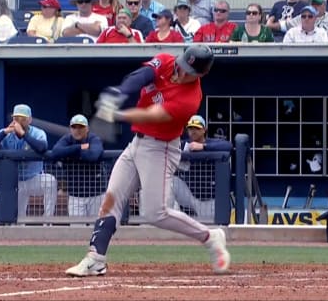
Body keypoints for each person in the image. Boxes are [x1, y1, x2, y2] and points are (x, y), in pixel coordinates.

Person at [65, 45, 230, 277]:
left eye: (189, 71)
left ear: (201, 74)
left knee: (156, 213)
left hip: (161, 148)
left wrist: (117, 114)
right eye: (182, 65)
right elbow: (141, 76)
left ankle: (210, 237)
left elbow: (152, 115)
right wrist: (119, 93)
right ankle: (95, 258)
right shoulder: (166, 61)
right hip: (137, 144)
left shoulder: (190, 99)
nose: (181, 72)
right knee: (111, 199)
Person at [0, 104, 58, 217]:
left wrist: (23, 134)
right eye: (16, 118)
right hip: (16, 182)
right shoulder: (6, 133)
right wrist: (5, 132)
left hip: (34, 178)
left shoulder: (38, 133)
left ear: (30, 120)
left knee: (50, 181)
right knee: (19, 217)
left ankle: (47, 221)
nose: (19, 122)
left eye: (23, 119)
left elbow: (42, 148)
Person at [173, 115, 232, 218]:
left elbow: (228, 146)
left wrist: (203, 147)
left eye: (197, 128)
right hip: (190, 193)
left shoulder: (212, 143)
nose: (193, 131)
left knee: (210, 227)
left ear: (204, 130)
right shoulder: (185, 144)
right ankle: (173, 218)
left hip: (209, 197)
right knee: (170, 182)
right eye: (190, 128)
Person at [51, 114, 106, 217]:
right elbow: (55, 152)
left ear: (87, 128)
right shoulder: (67, 139)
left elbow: (93, 156)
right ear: (70, 129)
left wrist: (69, 152)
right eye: (74, 127)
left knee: (97, 227)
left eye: (81, 127)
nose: (77, 130)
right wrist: (79, 147)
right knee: (76, 229)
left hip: (96, 195)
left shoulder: (94, 138)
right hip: (75, 196)